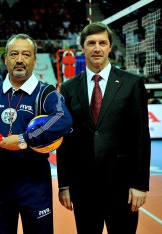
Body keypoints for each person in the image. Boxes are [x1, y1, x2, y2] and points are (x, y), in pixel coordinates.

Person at [56, 22, 151, 234]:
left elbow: (141, 137)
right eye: (91, 43)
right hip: (84, 189)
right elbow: (65, 141)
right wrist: (65, 185)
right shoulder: (69, 88)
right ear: (82, 48)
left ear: (110, 47)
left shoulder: (131, 84)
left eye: (102, 43)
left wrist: (140, 184)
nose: (97, 48)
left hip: (123, 187)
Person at [0, 34, 72, 233]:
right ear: (5, 59)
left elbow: (64, 119)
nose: (20, 59)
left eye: (26, 54)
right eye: (14, 54)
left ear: (34, 59)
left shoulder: (46, 92)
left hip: (34, 183)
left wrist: (24, 139)